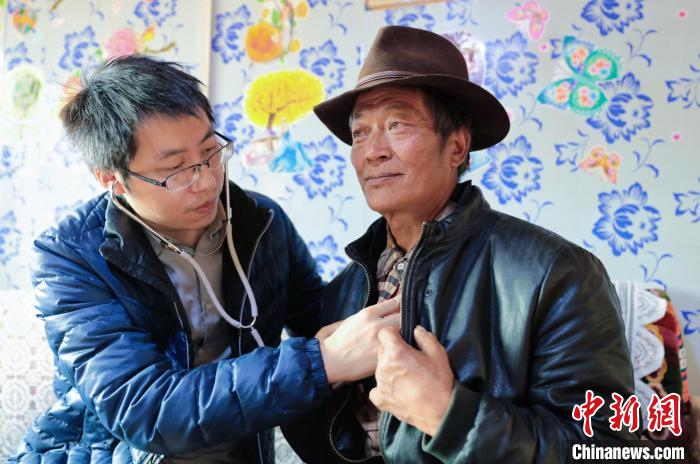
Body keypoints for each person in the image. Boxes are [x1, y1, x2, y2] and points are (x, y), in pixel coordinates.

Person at [9, 55, 399, 464]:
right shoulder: (70, 257)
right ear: (112, 179)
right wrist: (320, 363)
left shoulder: (262, 222)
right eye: (175, 170)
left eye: (211, 151)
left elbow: (321, 319)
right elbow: (144, 410)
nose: (208, 181)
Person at [283, 25, 637, 463]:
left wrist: (449, 415)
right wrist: (314, 377)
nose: (372, 151)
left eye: (396, 124)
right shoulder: (345, 290)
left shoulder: (556, 273)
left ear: (457, 146)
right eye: (359, 133)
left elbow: (608, 449)